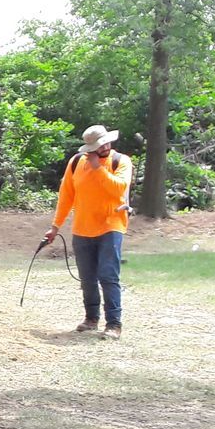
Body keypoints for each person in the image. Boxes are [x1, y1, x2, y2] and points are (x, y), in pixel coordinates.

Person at [44, 124, 133, 339]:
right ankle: (91, 318)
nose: (104, 147)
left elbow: (119, 188)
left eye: (105, 143)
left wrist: (99, 169)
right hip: (82, 228)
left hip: (111, 226)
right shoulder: (76, 163)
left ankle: (114, 324)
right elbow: (66, 196)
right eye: (98, 145)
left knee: (108, 276)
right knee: (87, 277)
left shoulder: (120, 161)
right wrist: (55, 227)